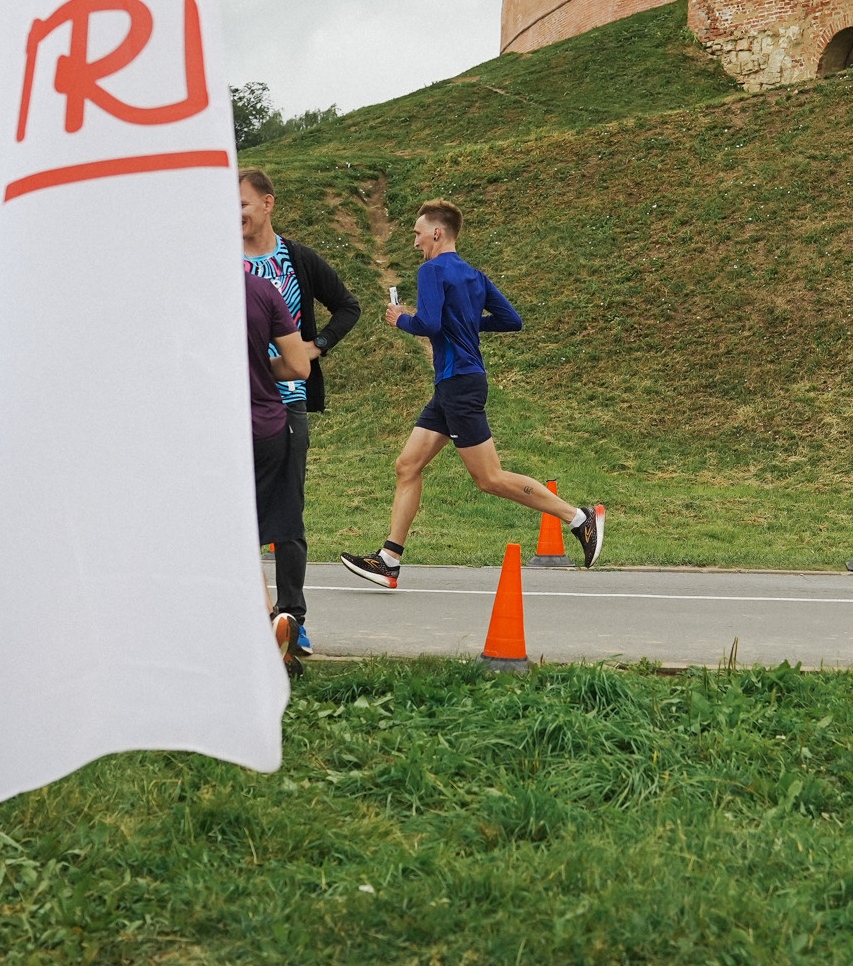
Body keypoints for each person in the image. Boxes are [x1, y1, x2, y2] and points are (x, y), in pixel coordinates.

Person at [339, 198, 603, 586]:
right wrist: (464, 324)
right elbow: (511, 320)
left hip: (459, 383)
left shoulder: (431, 270)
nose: (415, 242)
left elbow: (428, 324)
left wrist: (401, 320)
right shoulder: (475, 276)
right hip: (455, 384)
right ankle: (388, 560)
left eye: (417, 233)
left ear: (436, 232)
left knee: (490, 478)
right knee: (407, 466)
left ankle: (578, 518)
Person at [240, 169, 364, 658]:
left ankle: (294, 619)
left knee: (288, 511)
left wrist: (317, 347)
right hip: (237, 403)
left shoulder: (297, 259)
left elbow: (347, 306)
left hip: (288, 399)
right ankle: (251, 616)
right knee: (237, 513)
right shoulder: (222, 262)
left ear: (268, 203)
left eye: (243, 204)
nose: (235, 215)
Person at [247, 266, 320, 671]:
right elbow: (299, 366)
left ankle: (264, 625)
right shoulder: (262, 290)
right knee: (277, 524)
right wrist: (260, 368)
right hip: (269, 427)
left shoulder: (188, 292)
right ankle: (281, 619)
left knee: (230, 533)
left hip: (218, 430)